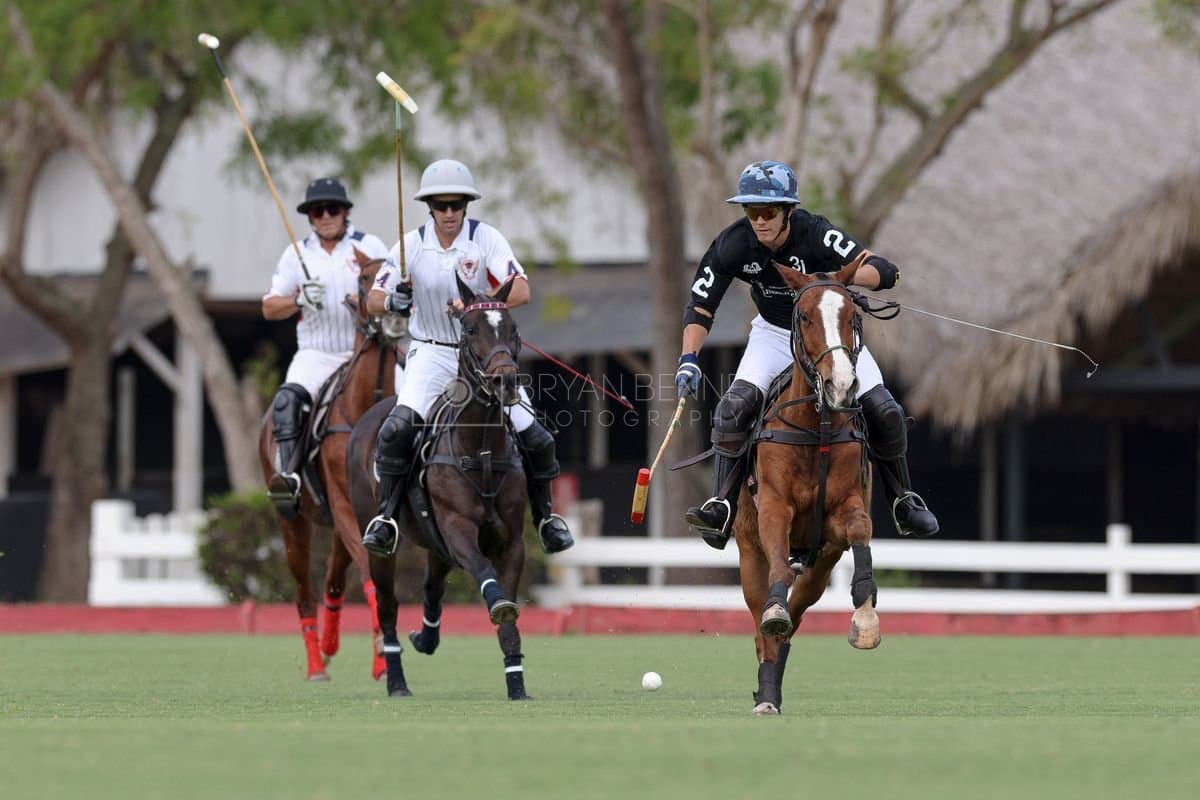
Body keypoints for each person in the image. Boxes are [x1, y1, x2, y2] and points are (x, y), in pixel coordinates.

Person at [676, 160, 939, 549]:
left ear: (788, 211)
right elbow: (701, 304)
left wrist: (838, 280)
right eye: (751, 211)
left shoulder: (816, 234)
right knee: (732, 408)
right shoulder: (733, 243)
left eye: (768, 212)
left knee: (885, 410)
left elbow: (885, 271)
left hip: (831, 336)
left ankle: (902, 498)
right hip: (773, 335)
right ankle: (722, 505)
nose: (759, 221)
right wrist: (689, 358)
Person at [360, 158, 574, 556]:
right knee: (396, 431)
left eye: (456, 205)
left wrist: (479, 306)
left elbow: (522, 290)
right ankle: (386, 517)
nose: (448, 213)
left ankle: (545, 518)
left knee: (536, 435)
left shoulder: (486, 239)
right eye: (440, 206)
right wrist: (395, 299)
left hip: (481, 358)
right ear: (429, 207)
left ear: (466, 206)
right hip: (430, 354)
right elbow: (373, 301)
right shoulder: (408, 246)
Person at [262, 177, 390, 514]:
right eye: (317, 211)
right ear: (310, 217)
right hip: (317, 353)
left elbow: (395, 292)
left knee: (414, 395)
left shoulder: (370, 246)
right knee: (287, 399)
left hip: (366, 351)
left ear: (345, 212)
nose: (325, 216)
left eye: (332, 209)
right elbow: (269, 307)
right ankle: (288, 476)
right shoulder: (297, 254)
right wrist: (298, 298)